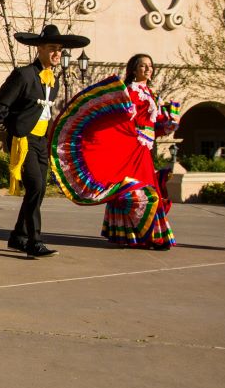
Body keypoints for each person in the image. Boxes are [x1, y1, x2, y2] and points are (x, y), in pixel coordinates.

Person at [50, 53, 181, 249]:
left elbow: (153, 126)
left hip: (143, 150)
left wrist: (168, 123)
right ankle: (148, 236)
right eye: (143, 66)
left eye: (150, 66)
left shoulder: (152, 94)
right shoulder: (128, 92)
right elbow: (123, 118)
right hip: (128, 148)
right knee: (135, 190)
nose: (148, 69)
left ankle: (133, 234)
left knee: (143, 188)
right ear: (134, 70)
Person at [0, 24, 89, 258]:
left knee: (39, 191)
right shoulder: (24, 75)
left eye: (60, 50)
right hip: (24, 140)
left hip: (41, 141)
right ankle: (35, 241)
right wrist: (9, 127)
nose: (57, 53)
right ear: (40, 50)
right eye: (52, 48)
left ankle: (18, 236)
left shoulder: (52, 80)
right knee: (36, 187)